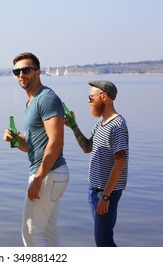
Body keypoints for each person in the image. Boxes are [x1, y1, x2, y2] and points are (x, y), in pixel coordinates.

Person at [3, 52, 69, 247]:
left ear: (38, 72)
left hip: (48, 173)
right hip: (50, 173)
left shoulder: (46, 99)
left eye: (26, 70)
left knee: (31, 233)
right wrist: (16, 139)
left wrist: (38, 178)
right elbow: (29, 146)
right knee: (47, 232)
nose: (21, 75)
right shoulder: (32, 101)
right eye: (16, 71)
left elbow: (56, 142)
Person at [64, 80, 129, 247]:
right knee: (102, 239)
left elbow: (120, 162)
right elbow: (87, 147)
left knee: (104, 241)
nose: (88, 101)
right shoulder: (100, 124)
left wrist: (106, 197)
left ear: (104, 97)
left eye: (91, 97)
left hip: (106, 193)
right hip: (95, 191)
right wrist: (73, 125)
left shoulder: (118, 125)